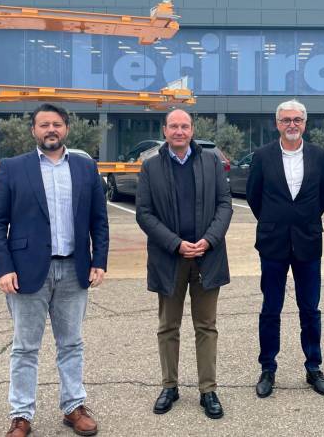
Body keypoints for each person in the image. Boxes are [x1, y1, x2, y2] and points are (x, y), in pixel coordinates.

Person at [0, 103, 108, 437]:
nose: (50, 129)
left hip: (74, 269)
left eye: (56, 124)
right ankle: (21, 416)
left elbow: (99, 220)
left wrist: (100, 261)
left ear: (66, 128)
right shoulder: (13, 168)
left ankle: (73, 407)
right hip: (26, 273)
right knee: (25, 347)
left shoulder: (86, 168)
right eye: (43, 125)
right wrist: (3, 268)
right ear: (33, 131)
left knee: (71, 343)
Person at [135, 109, 233, 419]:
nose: (179, 131)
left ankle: (208, 390)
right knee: (168, 326)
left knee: (206, 326)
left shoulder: (211, 161)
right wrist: (176, 244)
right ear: (164, 130)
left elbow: (225, 204)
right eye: (174, 126)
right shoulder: (150, 167)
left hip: (208, 256)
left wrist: (210, 239)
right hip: (169, 259)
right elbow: (144, 213)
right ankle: (170, 385)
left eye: (185, 126)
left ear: (192, 131)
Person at [246, 99, 324, 398]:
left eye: (297, 120)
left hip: (308, 242)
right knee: (271, 309)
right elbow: (254, 196)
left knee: (310, 309)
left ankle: (313, 367)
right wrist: (275, 223)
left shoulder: (319, 156)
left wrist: (302, 221)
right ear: (277, 124)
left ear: (305, 124)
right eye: (286, 120)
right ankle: (268, 367)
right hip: (273, 243)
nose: (292, 124)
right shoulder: (262, 156)